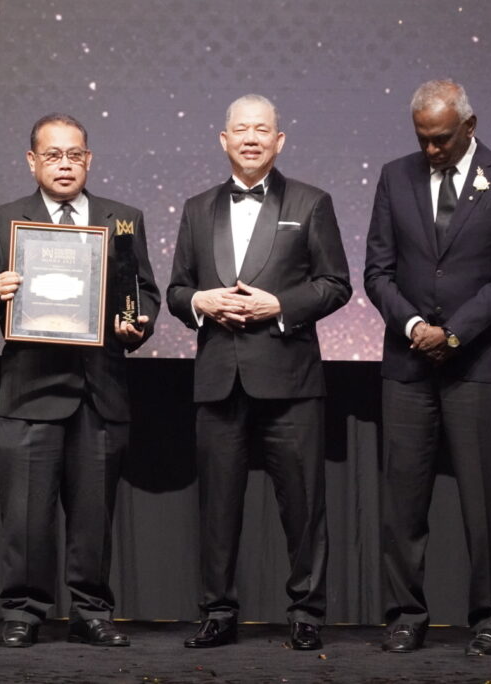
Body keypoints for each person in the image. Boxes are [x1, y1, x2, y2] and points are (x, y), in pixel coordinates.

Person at [0, 113, 160, 648]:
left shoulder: (124, 219)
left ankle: (91, 612)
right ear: (33, 161)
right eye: (53, 155)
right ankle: (23, 612)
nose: (65, 164)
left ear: (88, 160)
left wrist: (136, 324)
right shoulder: (4, 221)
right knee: (26, 516)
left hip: (100, 391)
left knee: (93, 515)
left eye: (74, 155)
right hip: (29, 391)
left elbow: (144, 291)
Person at [167, 94, 352, 650]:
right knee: (217, 509)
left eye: (262, 129)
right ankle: (217, 613)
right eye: (241, 130)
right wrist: (200, 301)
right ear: (224, 140)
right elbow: (176, 290)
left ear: (279, 140)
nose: (251, 138)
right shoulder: (197, 207)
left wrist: (281, 306)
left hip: (291, 381)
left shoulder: (312, 202)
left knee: (304, 507)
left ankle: (307, 613)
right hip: (219, 379)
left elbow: (336, 284)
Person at [364, 79, 491, 656]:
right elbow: (377, 271)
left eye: (441, 139)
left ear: (470, 125)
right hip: (408, 363)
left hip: (478, 363)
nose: (431, 149)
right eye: (423, 139)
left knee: (486, 501)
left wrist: (455, 334)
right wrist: (415, 327)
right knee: (403, 502)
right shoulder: (395, 176)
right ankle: (405, 615)